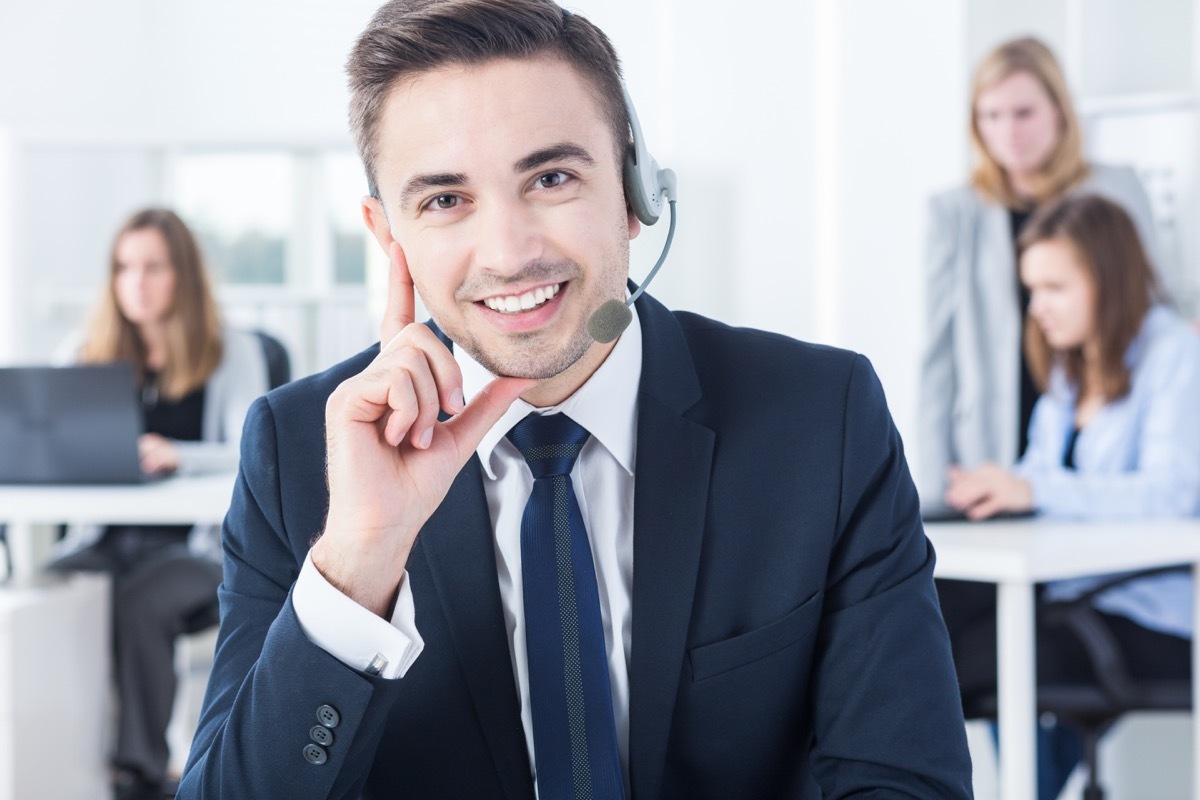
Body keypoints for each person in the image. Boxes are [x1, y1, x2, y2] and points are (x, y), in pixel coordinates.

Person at [179, 2, 972, 797]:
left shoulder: (819, 420)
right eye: (446, 201)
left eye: (551, 178)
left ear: (634, 194)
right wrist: (360, 562)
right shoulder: (298, 452)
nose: (511, 252)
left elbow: (905, 780)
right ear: (390, 238)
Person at [939, 193, 1200, 797]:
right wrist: (998, 492)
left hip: (1146, 615)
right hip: (1066, 596)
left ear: (1108, 279)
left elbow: (1173, 496)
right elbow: (1040, 478)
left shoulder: (1175, 356)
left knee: (969, 654)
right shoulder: (1067, 371)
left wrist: (1033, 488)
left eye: (1055, 288)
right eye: (1032, 290)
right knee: (919, 607)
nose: (1038, 309)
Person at [50, 208, 270, 800]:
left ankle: (140, 775)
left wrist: (177, 454)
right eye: (124, 268)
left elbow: (255, 450)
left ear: (183, 276)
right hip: (106, 541)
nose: (136, 282)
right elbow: (56, 445)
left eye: (153, 267)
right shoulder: (84, 351)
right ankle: (56, 764)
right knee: (46, 593)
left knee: (140, 600)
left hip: (196, 551)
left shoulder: (232, 351)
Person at [919, 36, 1163, 514]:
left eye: (1023, 113)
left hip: (1099, 416)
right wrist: (928, 497)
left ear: (1059, 110)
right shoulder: (955, 211)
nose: (1008, 131)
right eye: (991, 116)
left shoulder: (1116, 189)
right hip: (999, 427)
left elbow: (1147, 302)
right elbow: (938, 355)